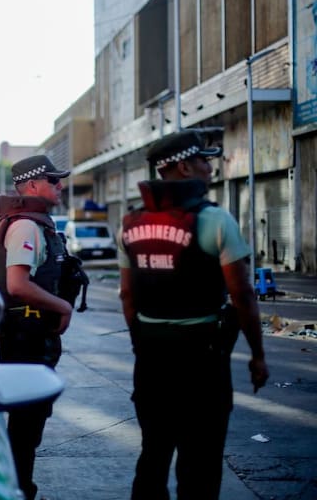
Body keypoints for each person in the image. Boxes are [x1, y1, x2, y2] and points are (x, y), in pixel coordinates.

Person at [118, 129, 269, 500]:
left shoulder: (130, 224)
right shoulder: (215, 219)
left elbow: (128, 295)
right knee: (200, 463)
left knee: (153, 454)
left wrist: (143, 343)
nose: (210, 168)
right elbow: (242, 295)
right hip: (202, 362)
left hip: (151, 361)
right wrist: (257, 354)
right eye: (204, 160)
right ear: (184, 167)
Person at [0, 154, 75, 500]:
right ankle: (18, 491)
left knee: (28, 425)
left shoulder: (35, 223)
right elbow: (17, 285)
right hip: (24, 339)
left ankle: (18, 488)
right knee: (25, 428)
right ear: (32, 185)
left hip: (32, 337)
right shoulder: (26, 226)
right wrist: (63, 306)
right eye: (53, 180)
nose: (60, 185)